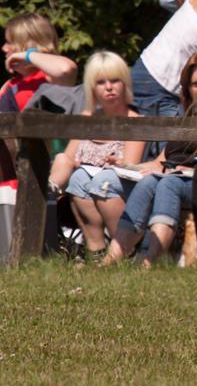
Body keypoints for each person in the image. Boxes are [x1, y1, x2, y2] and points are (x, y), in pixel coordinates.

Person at [105, 52, 197, 267]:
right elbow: (160, 161)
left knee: (168, 183)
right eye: (195, 84)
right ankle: (112, 256)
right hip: (175, 178)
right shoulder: (186, 120)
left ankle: (151, 260)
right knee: (149, 180)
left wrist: (189, 168)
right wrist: (127, 166)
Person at [50, 52, 145, 258]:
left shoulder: (134, 120)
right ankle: (95, 249)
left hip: (119, 187)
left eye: (115, 80)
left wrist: (118, 162)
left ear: (125, 83)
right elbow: (69, 157)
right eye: (101, 82)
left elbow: (131, 167)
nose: (109, 87)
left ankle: (121, 247)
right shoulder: (86, 118)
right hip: (81, 187)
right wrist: (75, 163)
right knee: (75, 174)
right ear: (92, 87)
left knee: (102, 181)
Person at [1, 13, 77, 180]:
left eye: (9, 42)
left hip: (46, 169)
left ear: (27, 44)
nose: (4, 49)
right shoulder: (9, 86)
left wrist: (28, 55)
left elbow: (66, 68)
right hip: (12, 171)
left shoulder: (52, 77)